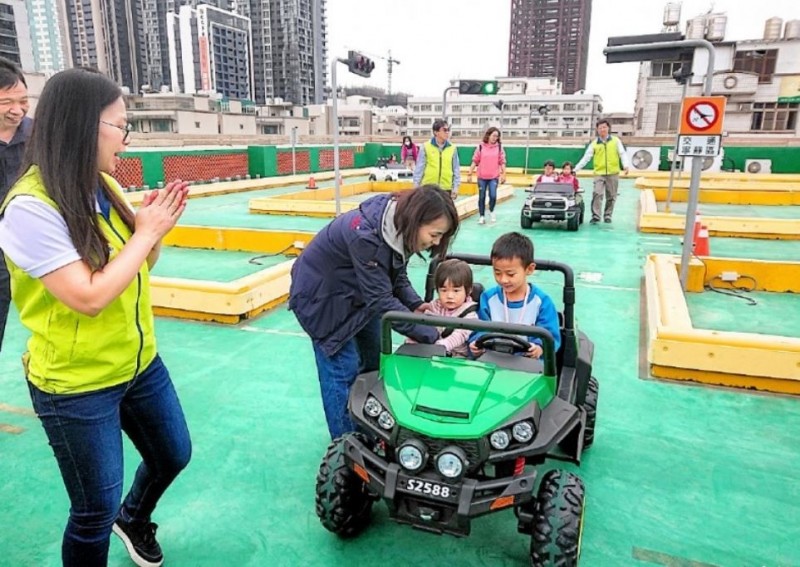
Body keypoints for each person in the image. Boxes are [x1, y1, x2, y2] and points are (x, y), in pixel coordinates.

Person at [0, 67, 191, 567]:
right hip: (75, 385)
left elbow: (143, 264)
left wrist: (154, 228)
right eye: (121, 125)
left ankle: (134, 518)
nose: (126, 140)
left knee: (173, 453)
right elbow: (87, 296)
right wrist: (145, 233)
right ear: (85, 126)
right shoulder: (29, 207)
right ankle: (114, 519)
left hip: (137, 362)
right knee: (92, 509)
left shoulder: (103, 183)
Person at [289, 185, 460, 439]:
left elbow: (395, 272)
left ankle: (369, 424)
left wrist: (415, 305)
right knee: (342, 370)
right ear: (416, 220)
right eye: (434, 234)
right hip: (322, 300)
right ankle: (347, 445)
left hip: (355, 296)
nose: (435, 242)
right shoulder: (367, 236)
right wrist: (430, 333)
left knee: (374, 358)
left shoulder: (396, 225)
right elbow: (381, 300)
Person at [469, 232, 561, 359]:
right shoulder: (488, 298)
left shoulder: (541, 302)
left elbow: (550, 335)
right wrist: (476, 342)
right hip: (493, 358)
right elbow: (479, 327)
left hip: (528, 363)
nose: (503, 280)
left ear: (529, 269)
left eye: (510, 274)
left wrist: (539, 348)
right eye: (497, 273)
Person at [0, 57, 32, 353]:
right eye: (7, 102)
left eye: (23, 101)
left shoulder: (38, 134)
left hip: (32, 241)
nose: (17, 110)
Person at [407, 259, 477, 357]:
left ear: (468, 290)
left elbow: (460, 335)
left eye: (456, 291)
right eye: (444, 290)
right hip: (431, 351)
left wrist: (442, 345)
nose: (449, 296)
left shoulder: (470, 314)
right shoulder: (434, 306)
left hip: (456, 356)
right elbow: (424, 326)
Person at [574, 119, 630, 224]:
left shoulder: (616, 141)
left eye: (604, 127)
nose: (602, 129)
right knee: (597, 193)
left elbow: (622, 153)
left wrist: (626, 165)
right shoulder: (594, 144)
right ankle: (596, 216)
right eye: (600, 128)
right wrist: (576, 169)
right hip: (599, 173)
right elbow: (586, 157)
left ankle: (608, 215)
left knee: (611, 195)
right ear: (597, 130)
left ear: (608, 128)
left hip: (613, 173)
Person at [467, 126, 506, 225]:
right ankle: (482, 216)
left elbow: (502, 162)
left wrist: (503, 174)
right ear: (488, 135)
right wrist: (470, 172)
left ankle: (492, 210)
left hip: (493, 177)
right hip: (482, 177)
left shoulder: (499, 147)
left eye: (497, 136)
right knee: (482, 196)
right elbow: (475, 160)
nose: (495, 138)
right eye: (493, 136)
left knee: (493, 196)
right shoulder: (481, 147)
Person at [413, 119, 461, 199]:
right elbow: (419, 168)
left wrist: (455, 188)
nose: (447, 132)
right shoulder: (425, 147)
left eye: (448, 130)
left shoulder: (452, 148)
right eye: (444, 130)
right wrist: (416, 187)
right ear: (436, 132)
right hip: (428, 188)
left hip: (446, 188)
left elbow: (456, 169)